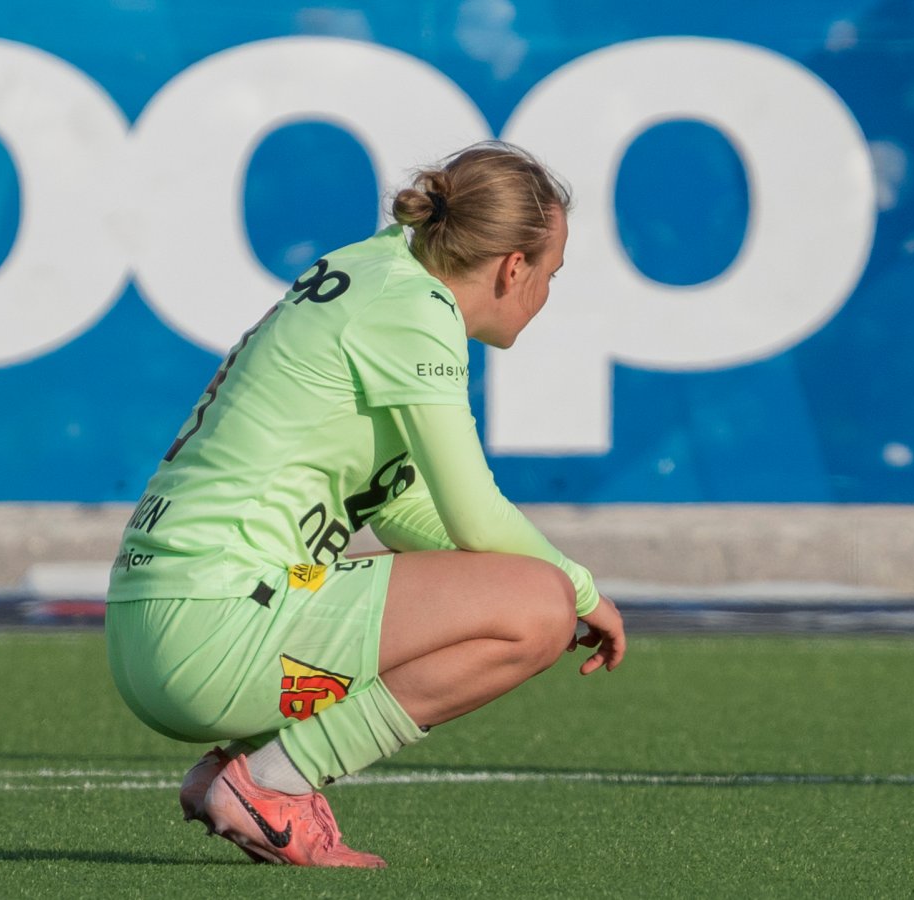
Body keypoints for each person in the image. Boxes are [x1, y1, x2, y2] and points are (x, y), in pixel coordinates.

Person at [106, 141, 625, 868]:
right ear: (514, 268)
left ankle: (244, 766)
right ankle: (271, 783)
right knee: (538, 607)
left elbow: (402, 509)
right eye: (551, 273)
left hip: (157, 623)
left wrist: (507, 584)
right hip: (210, 625)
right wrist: (580, 590)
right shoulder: (415, 311)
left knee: (514, 590)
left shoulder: (374, 270)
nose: (546, 292)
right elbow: (475, 515)